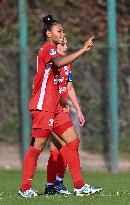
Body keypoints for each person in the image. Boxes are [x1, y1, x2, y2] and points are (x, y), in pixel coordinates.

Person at [18, 14, 95, 198]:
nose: (62, 35)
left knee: (73, 141)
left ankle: (79, 186)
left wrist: (64, 102)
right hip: (42, 106)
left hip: (55, 107)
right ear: (48, 34)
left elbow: (60, 82)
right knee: (37, 147)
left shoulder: (53, 50)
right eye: (59, 31)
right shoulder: (47, 50)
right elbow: (59, 63)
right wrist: (83, 50)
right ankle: (25, 188)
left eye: (63, 32)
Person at [44, 37, 85, 195]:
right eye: (62, 44)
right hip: (50, 110)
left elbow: (70, 88)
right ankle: (61, 183)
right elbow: (45, 89)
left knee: (56, 149)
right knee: (68, 144)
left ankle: (50, 185)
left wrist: (78, 110)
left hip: (61, 110)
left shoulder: (67, 65)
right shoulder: (51, 64)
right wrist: (62, 102)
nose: (65, 46)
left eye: (67, 44)